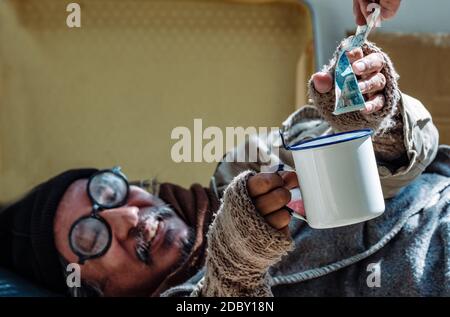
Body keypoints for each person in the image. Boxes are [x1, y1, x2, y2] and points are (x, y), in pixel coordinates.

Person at [0, 36, 448, 296]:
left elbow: (405, 157)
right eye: (90, 236)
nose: (126, 217)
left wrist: (375, 120)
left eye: (107, 192)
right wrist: (236, 260)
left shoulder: (246, 163)